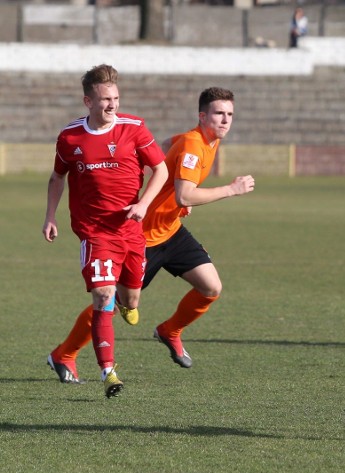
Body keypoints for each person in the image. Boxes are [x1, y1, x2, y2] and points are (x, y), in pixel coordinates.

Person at [46, 87, 255, 382]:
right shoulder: (195, 145)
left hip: (171, 230)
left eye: (230, 114)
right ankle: (63, 354)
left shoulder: (196, 140)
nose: (225, 120)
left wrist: (174, 198)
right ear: (203, 116)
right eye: (219, 114)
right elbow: (185, 196)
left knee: (210, 287)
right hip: (142, 237)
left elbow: (166, 149)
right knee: (113, 303)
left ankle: (170, 330)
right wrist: (231, 190)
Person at [42, 64, 169, 398]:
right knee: (102, 295)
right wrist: (50, 216)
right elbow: (58, 177)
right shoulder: (70, 138)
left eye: (115, 98)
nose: (111, 105)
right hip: (95, 232)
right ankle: (108, 372)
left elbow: (161, 169)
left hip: (130, 231)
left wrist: (143, 204)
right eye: (104, 100)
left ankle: (128, 302)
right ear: (88, 101)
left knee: (131, 298)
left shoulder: (135, 128)